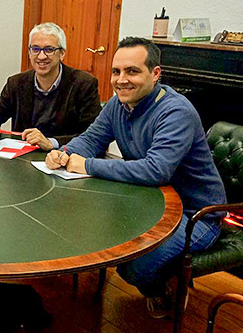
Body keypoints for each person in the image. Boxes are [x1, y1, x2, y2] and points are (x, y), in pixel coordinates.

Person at [45, 37, 226, 318]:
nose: (121, 80)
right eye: (116, 72)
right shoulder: (118, 105)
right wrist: (64, 153)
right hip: (147, 203)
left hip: (195, 215)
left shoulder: (176, 111)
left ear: (155, 74)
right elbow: (91, 140)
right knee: (100, 243)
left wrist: (87, 165)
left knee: (134, 267)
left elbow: (155, 170)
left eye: (132, 71)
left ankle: (164, 289)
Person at [0, 22, 101, 150]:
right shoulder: (16, 83)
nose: (41, 56)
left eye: (49, 50)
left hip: (64, 160)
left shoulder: (84, 85)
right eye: (35, 49)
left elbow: (93, 136)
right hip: (23, 160)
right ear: (29, 52)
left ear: (62, 54)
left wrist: (51, 143)